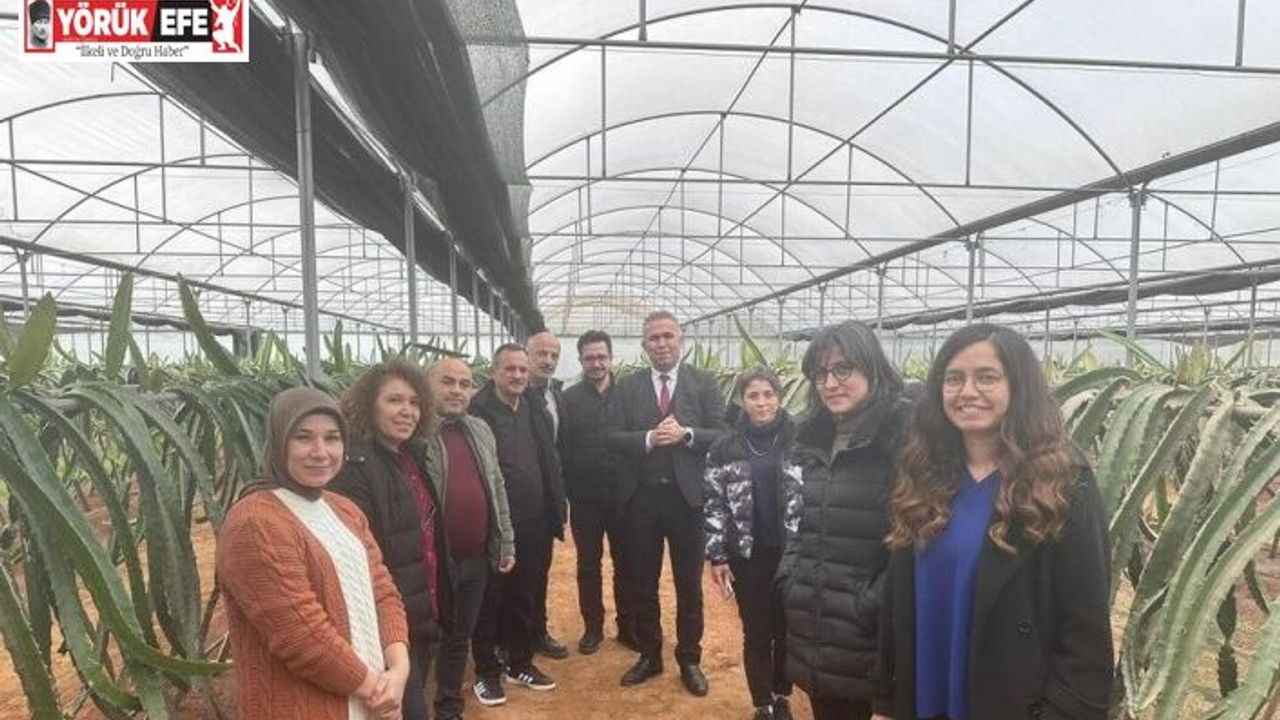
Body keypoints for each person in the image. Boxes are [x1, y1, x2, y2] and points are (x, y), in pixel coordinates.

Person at [871, 324, 1113, 720]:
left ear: (1019, 387)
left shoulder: (1062, 483)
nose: (967, 391)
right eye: (954, 379)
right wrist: (884, 699)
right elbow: (897, 599)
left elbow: (1086, 628)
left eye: (986, 377)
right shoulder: (923, 474)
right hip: (922, 699)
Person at [217, 387, 410, 720]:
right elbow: (302, 636)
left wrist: (399, 670)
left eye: (332, 438)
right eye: (303, 437)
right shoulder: (254, 522)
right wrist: (377, 689)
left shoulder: (344, 509)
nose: (320, 452)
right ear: (279, 442)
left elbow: (383, 592)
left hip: (369, 702)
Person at [777, 320, 910, 720]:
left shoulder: (902, 440)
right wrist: (791, 577)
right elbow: (798, 520)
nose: (830, 383)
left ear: (872, 367)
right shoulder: (811, 439)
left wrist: (870, 602)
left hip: (869, 636)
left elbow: (916, 536)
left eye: (843, 369)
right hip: (814, 623)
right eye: (821, 373)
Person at [606, 310, 727, 696]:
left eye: (668, 336)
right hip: (641, 500)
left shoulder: (704, 382)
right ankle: (650, 654)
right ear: (644, 346)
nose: (661, 343)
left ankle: (689, 658)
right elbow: (611, 435)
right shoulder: (628, 387)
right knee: (642, 581)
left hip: (687, 501)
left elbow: (723, 434)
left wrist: (687, 434)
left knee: (688, 584)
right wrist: (648, 438)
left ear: (681, 340)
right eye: (654, 338)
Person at [329, 359, 444, 720]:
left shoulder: (409, 457)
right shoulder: (354, 468)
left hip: (419, 612)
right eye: (394, 400)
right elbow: (358, 558)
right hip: (387, 626)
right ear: (368, 405)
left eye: (414, 402)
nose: (407, 411)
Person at [469, 344, 566, 705]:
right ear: (494, 372)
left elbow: (549, 457)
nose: (518, 376)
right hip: (495, 523)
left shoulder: (532, 407)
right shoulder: (478, 411)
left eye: (523, 370)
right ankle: (486, 672)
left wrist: (556, 505)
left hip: (535, 520)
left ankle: (519, 662)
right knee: (491, 597)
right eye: (509, 369)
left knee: (526, 594)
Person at [705, 367, 803, 720]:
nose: (762, 402)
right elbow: (713, 502)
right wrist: (717, 555)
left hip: (792, 554)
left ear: (779, 396)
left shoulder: (800, 440)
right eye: (753, 395)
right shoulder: (724, 446)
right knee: (757, 631)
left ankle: (781, 694)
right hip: (748, 555)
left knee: (787, 630)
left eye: (768, 394)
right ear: (742, 400)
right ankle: (762, 703)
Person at [423, 358, 516, 719]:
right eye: (447, 382)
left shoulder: (479, 429)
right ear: (427, 385)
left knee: (459, 636)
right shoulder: (416, 435)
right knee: (424, 638)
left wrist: (505, 540)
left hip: (475, 555)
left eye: (464, 384)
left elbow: (496, 486)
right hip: (432, 562)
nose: (457, 391)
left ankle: (449, 707)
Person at [561, 329, 635, 654]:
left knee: (626, 562)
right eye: (589, 358)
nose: (596, 363)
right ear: (581, 360)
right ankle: (593, 627)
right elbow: (562, 447)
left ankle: (628, 626)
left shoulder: (628, 394)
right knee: (588, 564)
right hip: (585, 497)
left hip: (624, 496)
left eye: (601, 356)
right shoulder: (569, 399)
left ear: (611, 358)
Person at [524, 330, 570, 660]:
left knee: (540, 570)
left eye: (554, 355)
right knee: (516, 575)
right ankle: (511, 638)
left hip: (546, 501)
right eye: (541, 353)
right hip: (519, 501)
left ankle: (537, 632)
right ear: (527, 354)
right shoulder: (513, 396)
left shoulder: (555, 395)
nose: (548, 360)